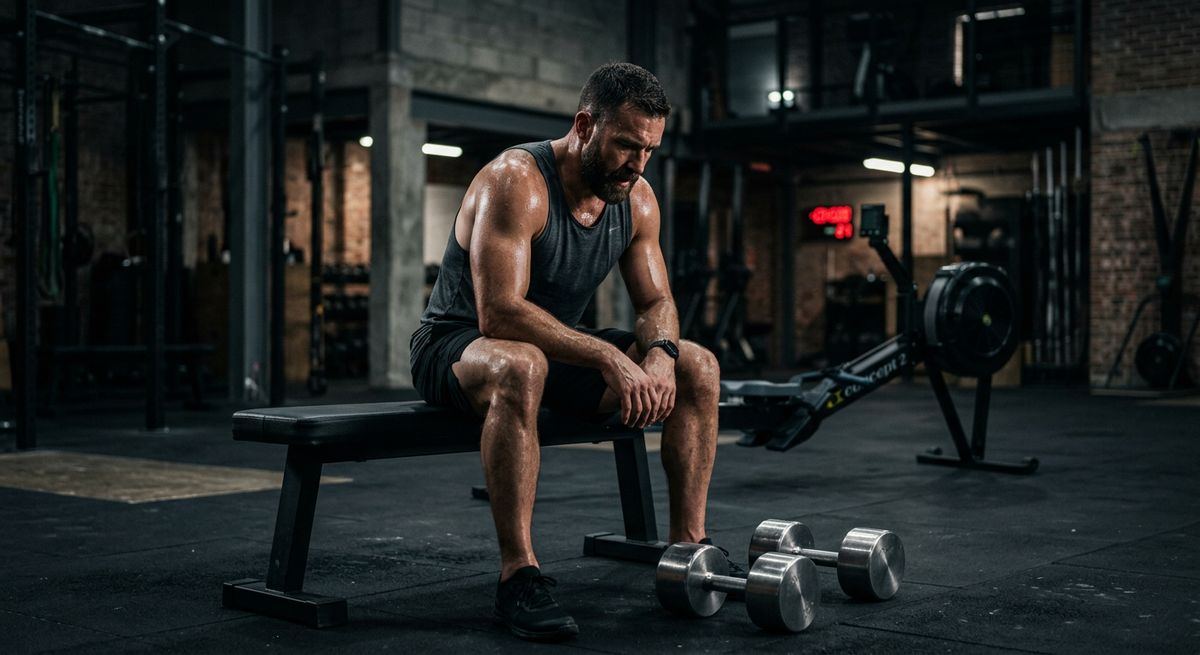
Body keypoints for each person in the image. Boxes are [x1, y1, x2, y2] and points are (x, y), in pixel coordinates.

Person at [409, 62, 720, 642]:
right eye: (627, 145)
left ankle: (688, 552)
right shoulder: (516, 179)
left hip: (554, 352)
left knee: (696, 364)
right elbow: (499, 312)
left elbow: (656, 301)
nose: (637, 163)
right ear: (585, 125)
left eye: (649, 149)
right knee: (522, 362)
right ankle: (517, 576)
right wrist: (608, 358)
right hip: (457, 346)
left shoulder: (637, 199)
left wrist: (658, 355)